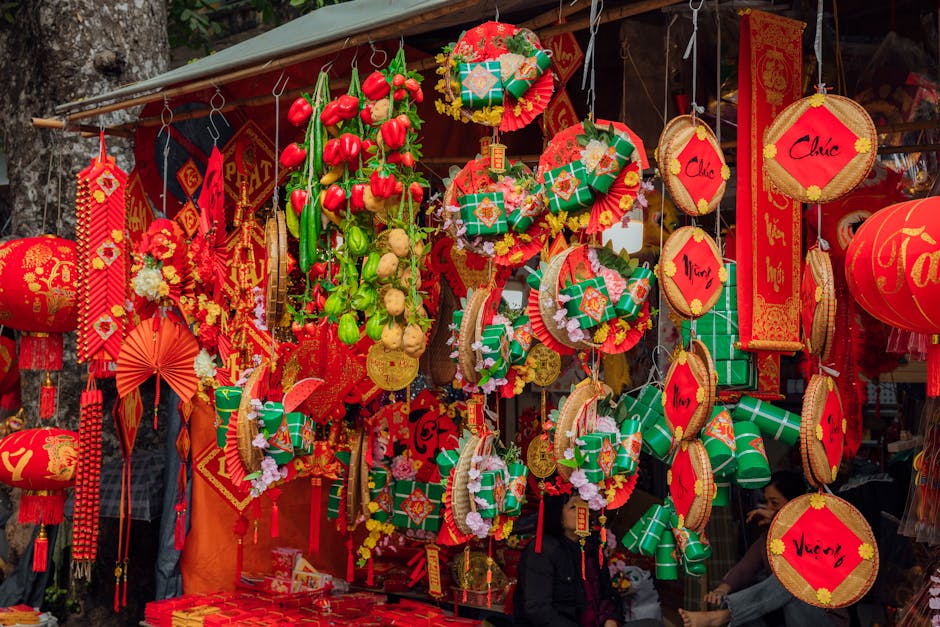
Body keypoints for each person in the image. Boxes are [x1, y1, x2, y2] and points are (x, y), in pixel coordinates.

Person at [678, 471, 841, 627]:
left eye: (775, 503)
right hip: (785, 618)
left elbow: (804, 561)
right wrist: (721, 590)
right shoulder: (768, 536)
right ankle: (727, 614)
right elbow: (744, 569)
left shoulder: (815, 530)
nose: (769, 507)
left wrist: (780, 522)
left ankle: (723, 617)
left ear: (793, 503)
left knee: (791, 575)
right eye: (766, 502)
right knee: (745, 595)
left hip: (822, 618)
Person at [513, 493, 623, 627]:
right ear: (558, 516)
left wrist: (610, 619)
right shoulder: (543, 550)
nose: (582, 511)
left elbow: (608, 593)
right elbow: (538, 610)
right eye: (573, 507)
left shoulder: (592, 546)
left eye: (583, 504)